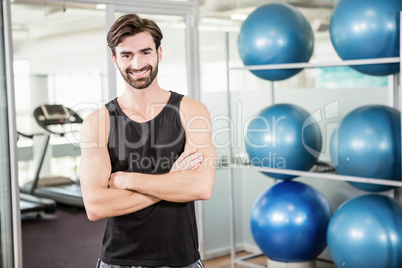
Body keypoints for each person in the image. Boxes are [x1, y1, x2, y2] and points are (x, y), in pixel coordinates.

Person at [79, 14, 216, 268]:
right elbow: (95, 206)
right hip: (118, 260)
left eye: (145, 52)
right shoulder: (97, 123)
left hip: (181, 259)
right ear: (115, 59)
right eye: (127, 55)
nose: (138, 63)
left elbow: (200, 187)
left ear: (159, 53)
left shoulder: (192, 111)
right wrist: (171, 182)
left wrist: (127, 179)